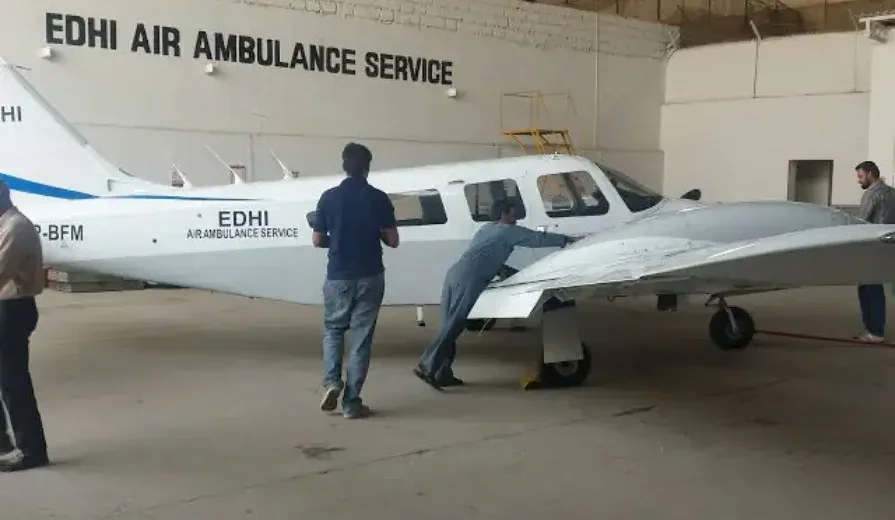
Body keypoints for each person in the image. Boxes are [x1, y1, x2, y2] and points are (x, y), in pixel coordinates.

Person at [414, 199, 576, 389]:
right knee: (454, 325)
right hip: (469, 279)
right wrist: (566, 240)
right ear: (503, 214)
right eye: (513, 215)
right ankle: (426, 366)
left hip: (454, 274)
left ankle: (442, 373)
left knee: (447, 326)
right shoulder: (506, 231)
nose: (516, 220)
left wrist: (515, 275)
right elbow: (537, 239)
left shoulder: (486, 229)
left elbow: (488, 258)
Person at [312, 143, 399, 419]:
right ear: (368, 167)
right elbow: (393, 240)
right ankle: (351, 403)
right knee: (361, 338)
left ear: (344, 165)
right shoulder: (379, 198)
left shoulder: (329, 197)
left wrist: (336, 241)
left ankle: (331, 382)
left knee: (334, 330)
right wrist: (377, 235)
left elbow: (317, 240)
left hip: (339, 275)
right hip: (371, 275)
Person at [0, 181, 49, 471]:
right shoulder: (4, 224)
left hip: (12, 309)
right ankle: (5, 443)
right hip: (6, 307)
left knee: (14, 383)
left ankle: (31, 450)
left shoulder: (15, 228)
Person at [854, 160, 895, 343]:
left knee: (868, 290)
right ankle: (875, 330)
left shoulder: (872, 193)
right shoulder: (891, 192)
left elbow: (861, 222)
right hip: (886, 245)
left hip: (870, 245)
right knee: (875, 288)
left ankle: (874, 331)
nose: (859, 181)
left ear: (870, 174)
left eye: (861, 176)